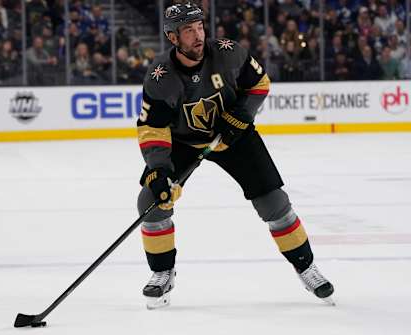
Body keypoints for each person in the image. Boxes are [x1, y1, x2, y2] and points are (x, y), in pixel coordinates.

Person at [136, 3, 334, 310]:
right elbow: (153, 127)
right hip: (184, 142)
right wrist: (159, 169)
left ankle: (305, 267)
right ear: (173, 37)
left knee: (273, 201)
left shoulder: (227, 52)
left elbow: (260, 83)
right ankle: (162, 272)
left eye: (199, 27)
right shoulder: (161, 77)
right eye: (188, 30)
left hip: (235, 134)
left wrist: (241, 115)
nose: (197, 35)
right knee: (151, 200)